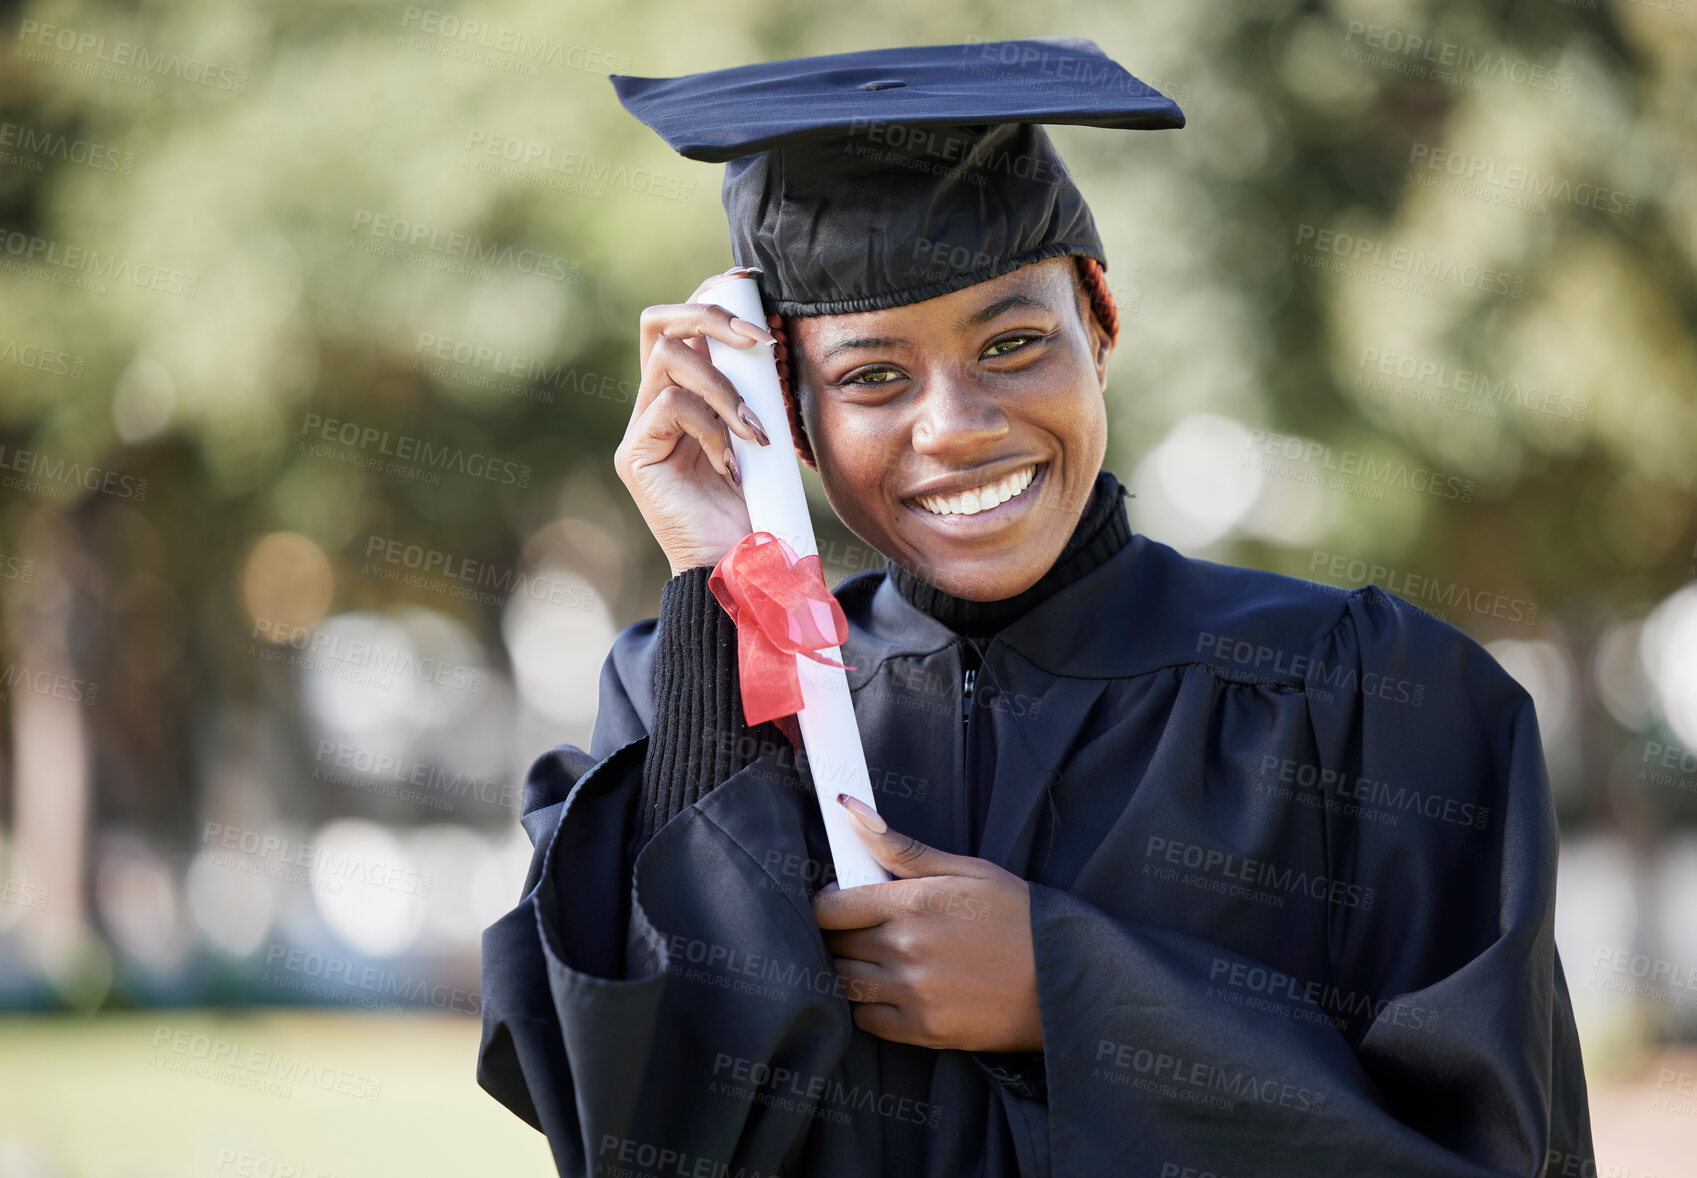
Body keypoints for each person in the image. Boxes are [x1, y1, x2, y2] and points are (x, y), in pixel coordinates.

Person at [477, 38, 1594, 1178]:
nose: (955, 424)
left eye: (1012, 343)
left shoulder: (1368, 695)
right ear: (789, 418)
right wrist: (722, 582)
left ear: (1099, 327)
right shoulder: (697, 694)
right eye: (871, 376)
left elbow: (1492, 1155)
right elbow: (650, 1139)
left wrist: (1071, 990)